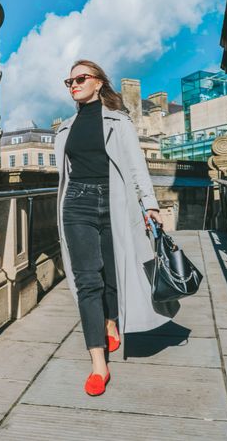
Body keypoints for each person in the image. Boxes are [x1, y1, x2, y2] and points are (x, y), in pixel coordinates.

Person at [54, 59, 173, 396]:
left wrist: (150, 204)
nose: (74, 85)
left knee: (113, 274)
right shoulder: (64, 128)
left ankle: (110, 322)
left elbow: (137, 166)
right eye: (69, 81)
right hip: (77, 204)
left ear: (98, 83)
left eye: (80, 78)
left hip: (115, 203)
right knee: (87, 280)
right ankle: (98, 364)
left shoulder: (119, 123)